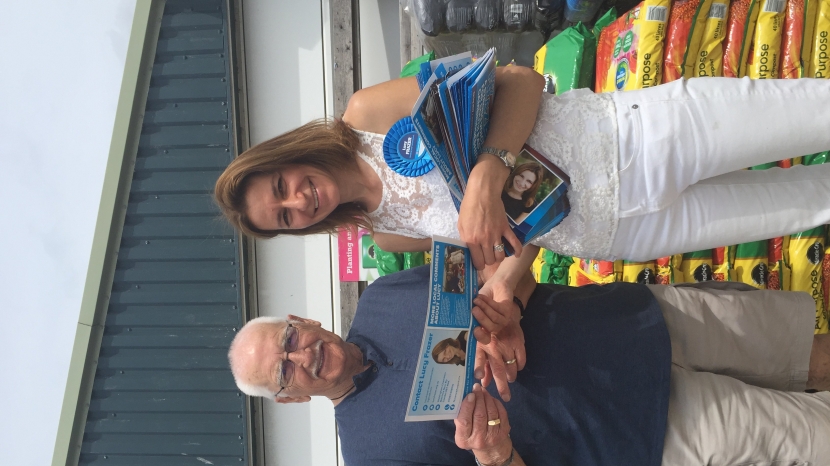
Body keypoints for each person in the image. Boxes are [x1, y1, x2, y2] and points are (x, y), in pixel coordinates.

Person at [227, 264, 830, 466]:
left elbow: (509, 257)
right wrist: (492, 455)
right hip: (650, 432)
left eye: (289, 339)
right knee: (817, 442)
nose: (301, 356)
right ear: (289, 400)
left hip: (646, 319)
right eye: (284, 373)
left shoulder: (386, 293)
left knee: (810, 353)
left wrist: (507, 302)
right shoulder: (365, 454)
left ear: (299, 318)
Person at [214, 68, 830, 277]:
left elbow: (517, 79)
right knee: (806, 206)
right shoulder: (387, 235)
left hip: (633, 138)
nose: (298, 201)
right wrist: (505, 279)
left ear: (285, 158)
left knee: (813, 114)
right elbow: (509, 233)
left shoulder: (366, 114)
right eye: (287, 218)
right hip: (617, 235)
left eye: (280, 188)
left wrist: (487, 172)